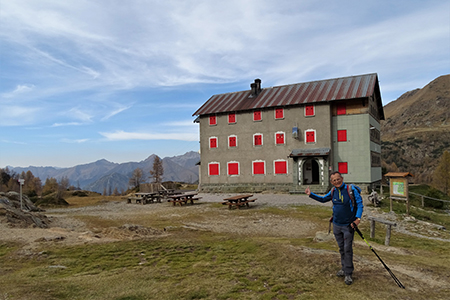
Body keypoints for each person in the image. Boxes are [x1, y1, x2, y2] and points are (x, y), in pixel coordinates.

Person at [305, 171, 363, 285]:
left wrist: (358, 219)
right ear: (331, 182)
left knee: (347, 249)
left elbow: (360, 204)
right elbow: (323, 199)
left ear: (342, 178)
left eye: (338, 179)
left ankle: (348, 273)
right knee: (341, 248)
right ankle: (344, 268)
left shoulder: (351, 190)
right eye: (334, 180)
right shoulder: (333, 191)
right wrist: (310, 194)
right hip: (336, 225)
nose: (337, 181)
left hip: (348, 226)